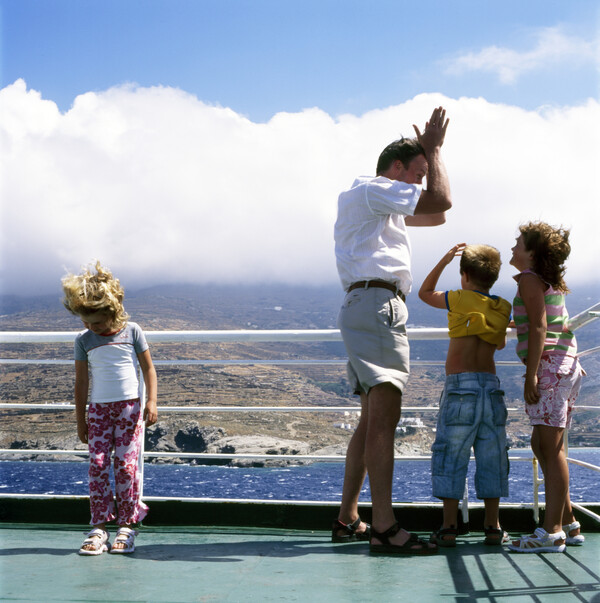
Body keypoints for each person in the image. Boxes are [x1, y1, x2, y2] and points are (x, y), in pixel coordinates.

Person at [332, 106, 452, 555]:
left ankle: (348, 518)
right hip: (377, 305)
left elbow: (434, 216)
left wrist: (431, 157)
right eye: (416, 174)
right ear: (395, 168)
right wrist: (435, 151)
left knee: (370, 421)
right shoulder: (374, 189)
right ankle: (383, 526)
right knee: (385, 419)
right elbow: (441, 202)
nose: (420, 183)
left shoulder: (375, 202)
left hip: (365, 305)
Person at [418, 243, 511, 547]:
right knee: (492, 456)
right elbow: (498, 344)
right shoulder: (502, 307)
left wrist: (444, 260)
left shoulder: (458, 299)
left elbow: (424, 292)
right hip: (491, 386)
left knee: (451, 454)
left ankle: (448, 528)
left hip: (460, 387)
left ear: (465, 275)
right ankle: (493, 526)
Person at [62, 261, 158, 555]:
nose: (92, 328)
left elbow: (149, 370)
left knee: (127, 468)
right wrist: (81, 422)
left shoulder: (132, 332)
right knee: (98, 466)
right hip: (98, 411)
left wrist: (152, 401)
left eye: (98, 323)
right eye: (87, 322)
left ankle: (127, 525)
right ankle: (99, 525)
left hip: (129, 410)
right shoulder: (84, 341)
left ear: (113, 311)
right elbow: (81, 384)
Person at [507, 222, 585, 553]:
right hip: (565, 366)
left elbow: (540, 327)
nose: (512, 246)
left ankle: (552, 532)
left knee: (550, 450)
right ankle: (568, 521)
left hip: (550, 367)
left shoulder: (528, 279)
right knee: (542, 443)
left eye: (519, 242)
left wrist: (531, 375)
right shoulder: (540, 281)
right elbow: (541, 320)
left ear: (533, 253)